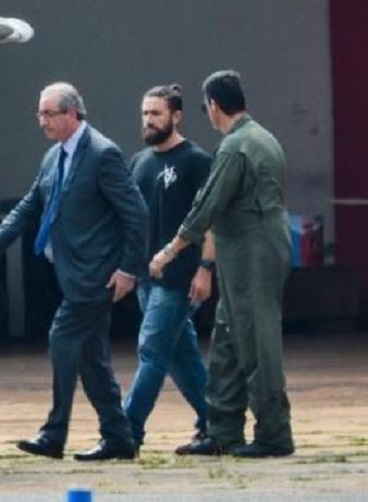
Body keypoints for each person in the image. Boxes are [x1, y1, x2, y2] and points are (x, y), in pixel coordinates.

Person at [0, 82, 148, 461]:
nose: (41, 121)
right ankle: (118, 438)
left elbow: (136, 214)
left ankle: (54, 433)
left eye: (48, 113)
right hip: (71, 273)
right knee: (92, 359)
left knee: (62, 338)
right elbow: (29, 206)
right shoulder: (53, 157)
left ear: (73, 114)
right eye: (39, 113)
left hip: (97, 275)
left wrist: (128, 270)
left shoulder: (103, 154)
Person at [150, 70, 294, 458]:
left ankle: (274, 434)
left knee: (255, 341)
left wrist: (170, 250)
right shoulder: (263, 138)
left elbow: (207, 206)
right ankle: (223, 429)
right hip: (252, 251)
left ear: (214, 105)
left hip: (251, 253)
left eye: (205, 107)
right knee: (229, 339)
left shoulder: (235, 147)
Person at [123, 84, 215, 451]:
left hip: (180, 277)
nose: (148, 120)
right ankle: (216, 420)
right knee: (180, 356)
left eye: (156, 113)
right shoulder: (139, 163)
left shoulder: (196, 161)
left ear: (176, 116)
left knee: (152, 350)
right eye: (145, 113)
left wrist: (205, 268)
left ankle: (127, 430)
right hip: (147, 277)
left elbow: (211, 222)